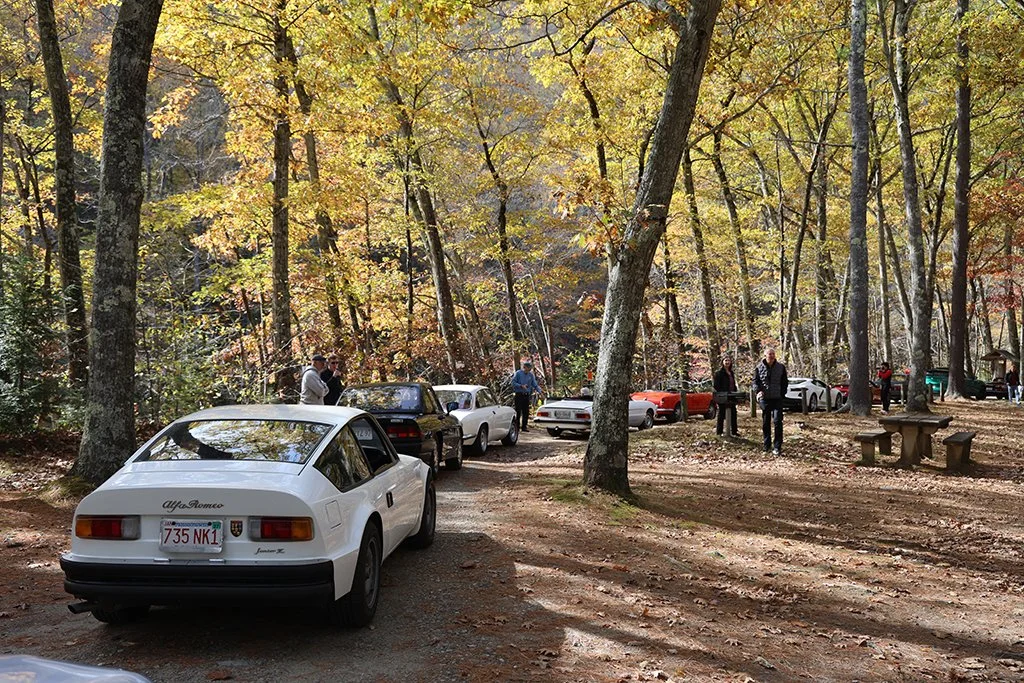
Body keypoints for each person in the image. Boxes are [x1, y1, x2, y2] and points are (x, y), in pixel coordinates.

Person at [752, 348, 788, 455]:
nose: (771, 356)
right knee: (766, 422)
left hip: (777, 398)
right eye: (769, 354)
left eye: (773, 354)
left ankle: (777, 446)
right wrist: (758, 391)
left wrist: (782, 394)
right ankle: (766, 445)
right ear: (765, 355)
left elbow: (784, 382)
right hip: (765, 399)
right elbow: (755, 382)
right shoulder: (758, 367)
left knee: (777, 421)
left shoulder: (781, 367)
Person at [713, 356, 740, 437]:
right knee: (721, 413)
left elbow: (733, 384)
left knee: (733, 413)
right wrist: (722, 392)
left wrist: (735, 391)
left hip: (732, 395)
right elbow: (716, 385)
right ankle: (719, 431)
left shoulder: (731, 373)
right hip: (722, 396)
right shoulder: (719, 373)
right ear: (722, 362)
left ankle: (734, 431)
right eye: (726, 360)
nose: (727, 362)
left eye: (729, 360)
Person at [512, 361, 541, 431]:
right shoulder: (518, 373)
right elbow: (513, 382)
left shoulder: (530, 375)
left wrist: (539, 391)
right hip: (519, 394)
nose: (529, 370)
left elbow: (534, 384)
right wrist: (521, 386)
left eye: (530, 368)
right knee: (518, 411)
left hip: (526, 395)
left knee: (526, 411)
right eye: (528, 368)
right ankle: (517, 426)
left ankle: (524, 426)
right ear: (524, 367)